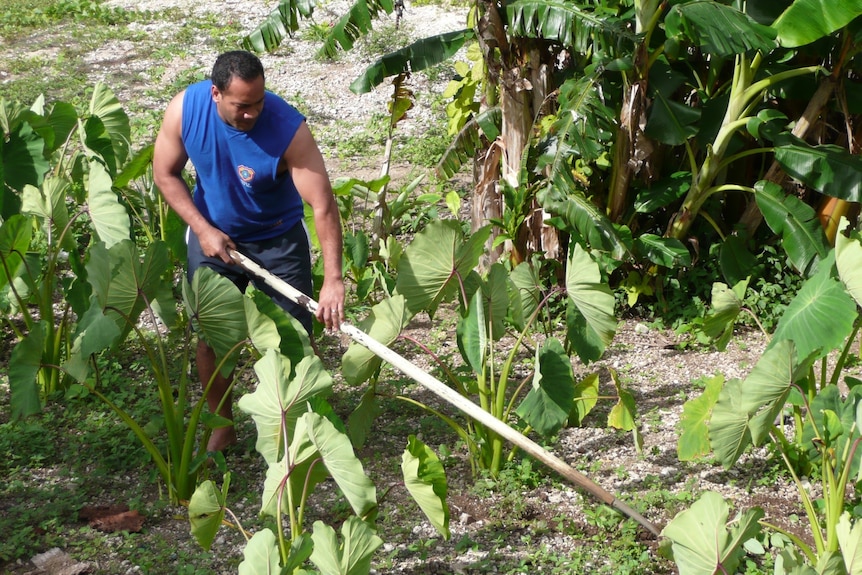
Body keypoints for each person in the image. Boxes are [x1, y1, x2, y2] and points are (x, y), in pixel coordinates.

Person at [153, 50, 344, 453]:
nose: (252, 113)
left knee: (292, 338)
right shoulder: (184, 111)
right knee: (212, 336)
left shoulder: (288, 128)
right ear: (216, 94)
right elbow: (164, 174)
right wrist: (203, 230)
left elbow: (323, 204)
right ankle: (222, 424)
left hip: (278, 239)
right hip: (213, 236)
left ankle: (291, 427)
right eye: (242, 105)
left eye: (258, 102)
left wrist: (334, 280)